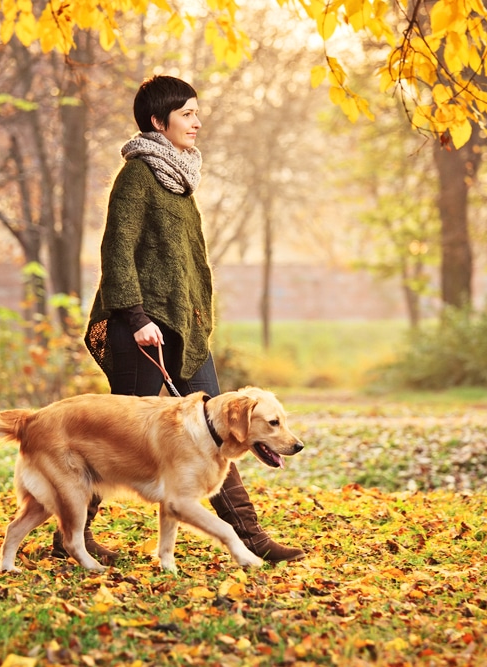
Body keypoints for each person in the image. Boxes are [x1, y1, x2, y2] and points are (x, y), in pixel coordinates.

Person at [51, 74, 304, 566]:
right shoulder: (138, 175)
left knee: (223, 428)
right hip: (140, 329)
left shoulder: (180, 178)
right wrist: (138, 316)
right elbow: (117, 253)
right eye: (187, 113)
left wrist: (197, 319)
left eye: (196, 112)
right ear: (156, 121)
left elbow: (184, 264)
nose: (197, 121)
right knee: (116, 433)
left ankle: (248, 536)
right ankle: (70, 538)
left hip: (184, 330)